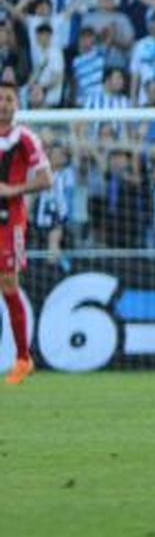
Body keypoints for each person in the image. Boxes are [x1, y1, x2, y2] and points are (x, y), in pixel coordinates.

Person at [0, 72, 52, 385]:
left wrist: (11, 189)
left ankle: (23, 358)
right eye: (0, 100)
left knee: (8, 284)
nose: (3, 105)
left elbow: (46, 179)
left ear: (17, 104)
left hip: (10, 222)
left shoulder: (25, 138)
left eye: (8, 99)